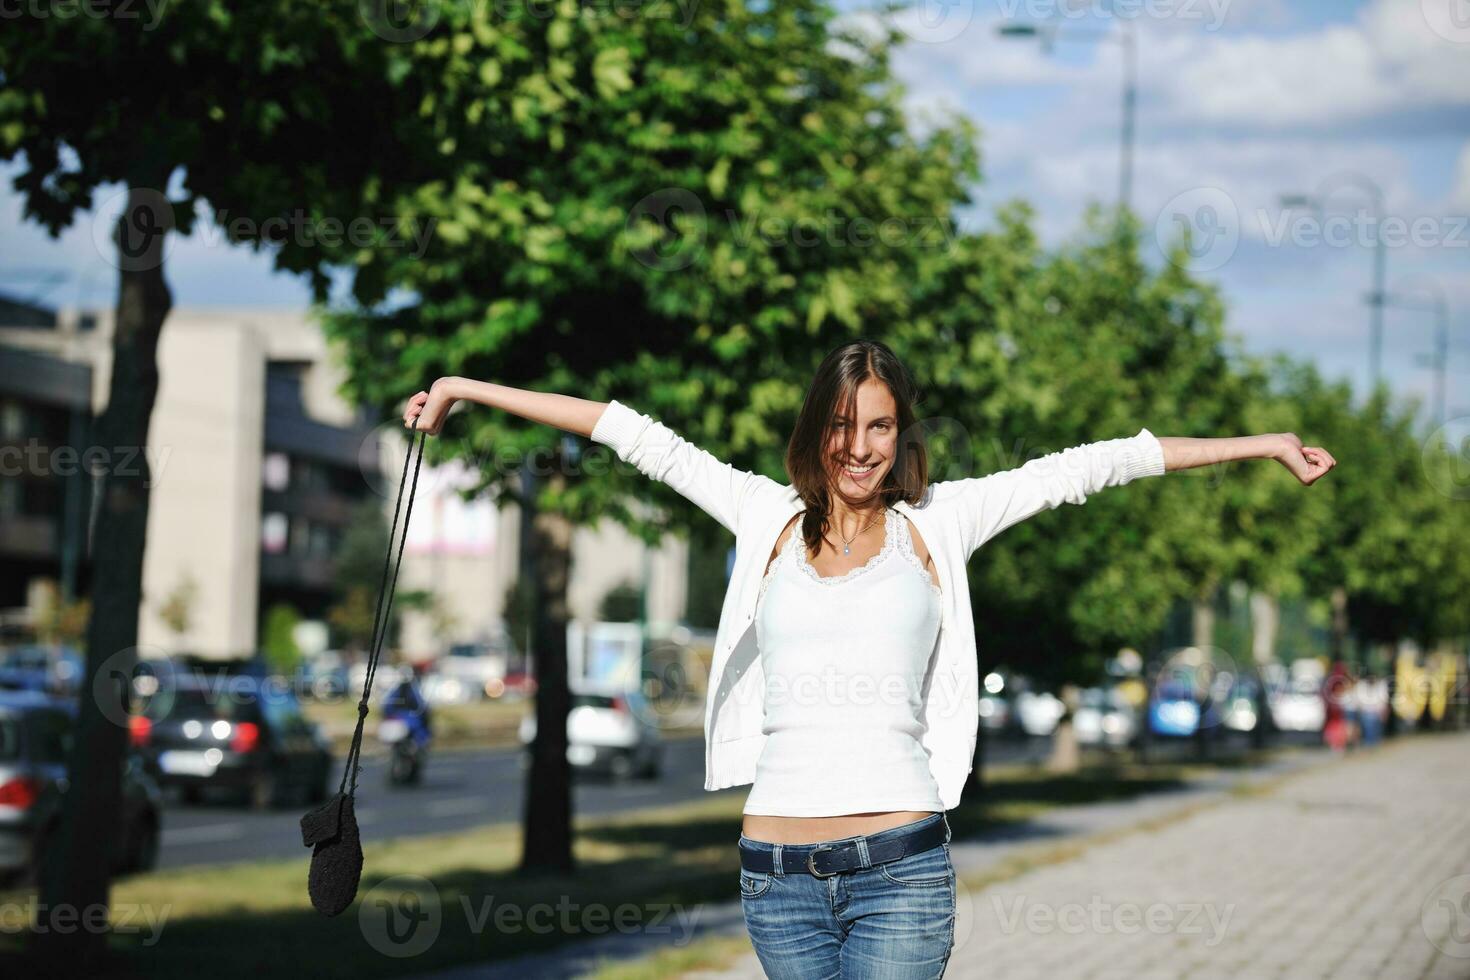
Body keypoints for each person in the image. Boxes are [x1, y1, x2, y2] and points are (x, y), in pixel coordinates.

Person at [403, 339, 1336, 979]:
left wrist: (1260, 446)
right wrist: (466, 390)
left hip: (900, 870)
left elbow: (1097, 462)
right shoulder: (760, 514)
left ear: (903, 435)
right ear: (818, 429)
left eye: (880, 427)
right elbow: (626, 431)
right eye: (844, 426)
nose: (860, 448)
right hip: (774, 875)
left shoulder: (941, 525)